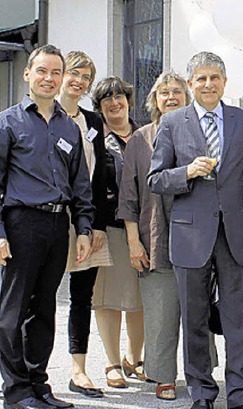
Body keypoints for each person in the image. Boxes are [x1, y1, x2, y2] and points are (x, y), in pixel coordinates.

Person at [148, 51, 243, 409]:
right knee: (195, 317)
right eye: (200, 78)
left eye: (215, 77)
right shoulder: (172, 123)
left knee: (238, 318)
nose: (208, 84)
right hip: (190, 234)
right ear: (190, 83)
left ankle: (241, 393)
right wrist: (186, 172)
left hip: (236, 233)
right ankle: (201, 390)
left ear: (225, 82)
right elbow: (155, 179)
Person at [0, 44, 93, 409]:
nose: (49, 78)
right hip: (21, 222)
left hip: (58, 225)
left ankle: (38, 384)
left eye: (56, 72)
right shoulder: (8, 123)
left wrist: (84, 228)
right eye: (42, 71)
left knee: (45, 311)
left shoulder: (69, 127)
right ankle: (16, 389)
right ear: (28, 74)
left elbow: (81, 185)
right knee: (12, 311)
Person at [118, 71, 191, 401]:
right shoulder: (140, 139)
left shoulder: (200, 135)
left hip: (196, 238)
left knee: (196, 311)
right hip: (154, 237)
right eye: (165, 92)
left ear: (187, 98)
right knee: (161, 312)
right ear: (155, 100)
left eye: (177, 91)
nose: (171, 97)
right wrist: (134, 241)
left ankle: (199, 373)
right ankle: (163, 377)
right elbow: (128, 196)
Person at [58, 51, 110, 398]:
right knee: (35, 297)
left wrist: (99, 225)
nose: (80, 81)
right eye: (74, 73)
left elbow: (101, 173)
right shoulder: (41, 115)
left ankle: (78, 370)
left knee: (82, 296)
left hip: (85, 219)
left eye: (86, 76)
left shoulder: (93, 121)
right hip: (47, 218)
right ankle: (20, 373)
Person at [91, 76, 145, 389]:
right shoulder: (96, 138)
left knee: (139, 298)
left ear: (128, 100)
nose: (115, 103)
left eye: (119, 96)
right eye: (106, 99)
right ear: (99, 107)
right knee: (108, 298)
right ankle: (112, 362)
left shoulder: (146, 134)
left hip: (143, 227)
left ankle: (133, 359)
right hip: (109, 227)